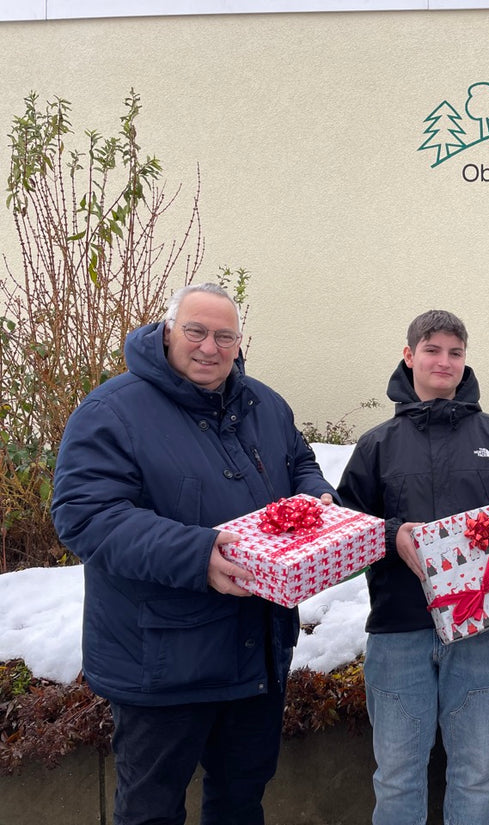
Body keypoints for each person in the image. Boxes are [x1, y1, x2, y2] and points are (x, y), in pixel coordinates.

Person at [51, 282, 337, 825]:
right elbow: (84, 514)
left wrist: (314, 493)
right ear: (166, 332)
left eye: (224, 336)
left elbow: (298, 459)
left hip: (257, 650)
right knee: (151, 811)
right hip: (162, 661)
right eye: (196, 331)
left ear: (239, 341)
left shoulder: (265, 404)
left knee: (240, 802)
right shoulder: (113, 410)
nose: (210, 347)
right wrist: (196, 553)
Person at [336, 309, 489, 825]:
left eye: (455, 352)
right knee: (397, 776)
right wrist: (391, 535)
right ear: (409, 357)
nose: (443, 361)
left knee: (476, 772)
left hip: (482, 631)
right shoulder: (377, 444)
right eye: (432, 350)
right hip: (399, 631)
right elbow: (345, 528)